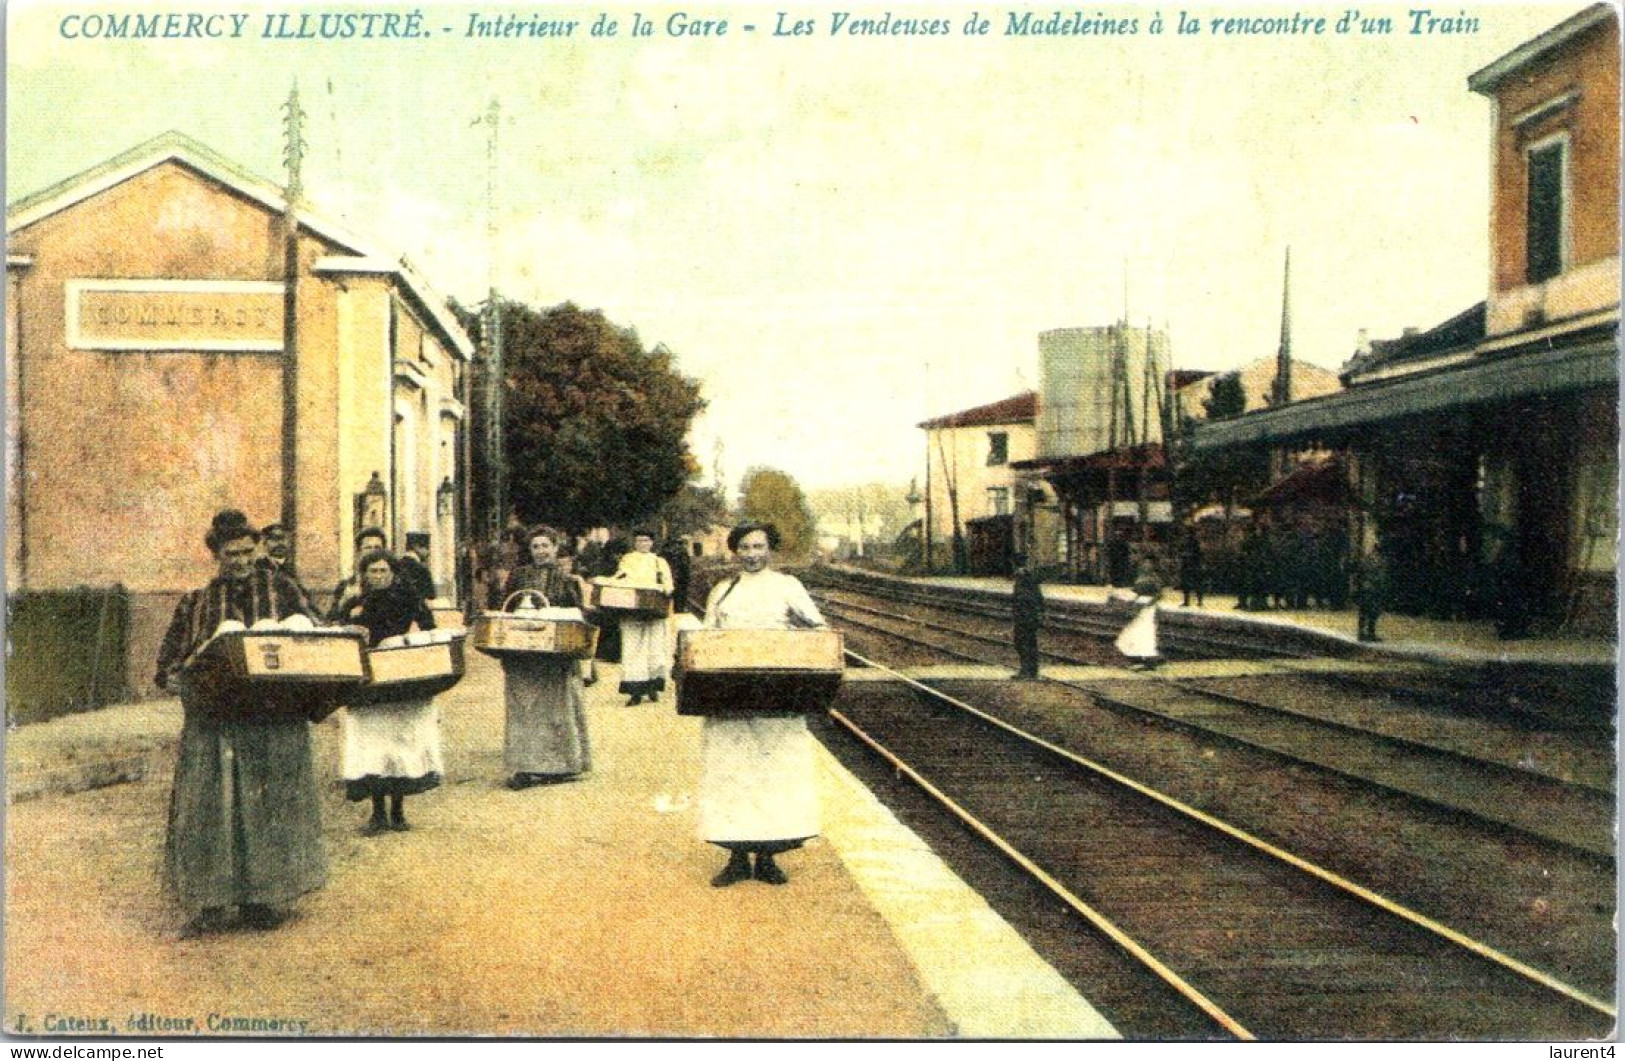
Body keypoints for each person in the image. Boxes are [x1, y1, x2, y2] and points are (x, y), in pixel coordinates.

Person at [154, 510, 325, 937]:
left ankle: (265, 899)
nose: (242, 561)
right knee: (213, 811)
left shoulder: (284, 589)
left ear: (258, 549)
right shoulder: (197, 602)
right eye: (231, 554)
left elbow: (317, 632)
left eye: (248, 551)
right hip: (217, 721)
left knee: (270, 805)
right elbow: (168, 663)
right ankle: (209, 903)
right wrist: (180, 677)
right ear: (216, 555)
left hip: (273, 716)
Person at [699, 521, 827, 887]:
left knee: (774, 773)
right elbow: (707, 637)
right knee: (732, 773)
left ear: (771, 549)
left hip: (777, 692)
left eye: (759, 547)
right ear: (735, 551)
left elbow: (816, 630)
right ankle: (737, 857)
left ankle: (768, 857)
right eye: (745, 548)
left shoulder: (788, 586)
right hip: (730, 693)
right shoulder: (723, 591)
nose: (752, 554)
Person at [333, 550, 443, 833]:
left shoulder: (408, 597)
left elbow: (429, 627)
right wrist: (350, 629)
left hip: (399, 676)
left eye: (383, 571)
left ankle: (398, 810)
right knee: (372, 745)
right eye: (373, 572)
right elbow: (336, 628)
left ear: (393, 573)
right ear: (365, 575)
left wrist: (409, 641)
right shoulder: (354, 602)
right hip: (367, 681)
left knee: (399, 742)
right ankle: (377, 812)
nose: (378, 577)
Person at [498, 526, 593, 789]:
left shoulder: (567, 579)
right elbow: (505, 607)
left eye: (545, 546)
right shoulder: (519, 576)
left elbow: (577, 615)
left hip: (554, 652)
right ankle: (525, 766)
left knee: (555, 707)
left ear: (555, 547)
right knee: (524, 707)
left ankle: (560, 765)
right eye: (535, 547)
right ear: (529, 551)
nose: (541, 551)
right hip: (523, 651)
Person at [609, 529, 674, 705]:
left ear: (652, 543)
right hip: (633, 610)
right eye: (639, 541)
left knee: (655, 650)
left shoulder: (659, 562)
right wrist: (614, 583)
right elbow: (620, 576)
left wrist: (665, 588)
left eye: (646, 540)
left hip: (654, 609)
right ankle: (635, 692)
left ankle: (653, 687)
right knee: (633, 650)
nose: (643, 544)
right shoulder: (628, 560)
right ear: (635, 543)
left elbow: (668, 582)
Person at [327, 526, 388, 622]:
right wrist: (344, 602)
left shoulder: (392, 582)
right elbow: (332, 618)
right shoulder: (346, 585)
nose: (373, 551)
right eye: (368, 548)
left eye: (377, 547)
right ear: (359, 552)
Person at [1114, 553, 1162, 670]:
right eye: (1145, 563)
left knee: (1143, 632)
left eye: (1149, 563)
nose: (1146, 565)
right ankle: (1139, 658)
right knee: (1135, 632)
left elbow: (1158, 594)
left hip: (1147, 609)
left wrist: (1149, 603)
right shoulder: (1141, 577)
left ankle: (1148, 659)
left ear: (1153, 565)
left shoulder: (1154, 578)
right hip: (1140, 606)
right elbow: (1135, 592)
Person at [257, 522, 315, 612]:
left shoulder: (290, 569)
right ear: (264, 542)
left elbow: (306, 601)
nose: (279, 543)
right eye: (274, 539)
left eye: (283, 539)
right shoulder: (259, 567)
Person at [1010, 553, 1043, 680]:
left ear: (1015, 565)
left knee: (1022, 643)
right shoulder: (1030, 577)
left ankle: (1026, 671)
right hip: (1030, 616)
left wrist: (1019, 614)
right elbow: (1039, 597)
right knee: (1030, 643)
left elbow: (1022, 598)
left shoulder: (1022, 578)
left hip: (1024, 617)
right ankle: (1032, 671)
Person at [1354, 544, 1389, 643]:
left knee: (1364, 611)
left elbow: (1359, 574)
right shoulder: (1380, 561)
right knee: (1373, 612)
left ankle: (1362, 633)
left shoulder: (1366, 559)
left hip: (1365, 588)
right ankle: (1370, 633)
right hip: (1374, 589)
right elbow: (1382, 576)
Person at [397, 532, 436, 605]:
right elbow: (431, 596)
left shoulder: (395, 566)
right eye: (426, 548)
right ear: (416, 547)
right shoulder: (422, 570)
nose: (428, 552)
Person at [660, 535, 695, 616]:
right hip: (680, 579)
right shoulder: (683, 551)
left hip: (669, 578)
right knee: (679, 599)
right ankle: (678, 611)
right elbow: (686, 566)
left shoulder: (663, 552)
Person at [1177, 530, 1205, 608]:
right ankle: (1187, 602)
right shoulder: (1184, 543)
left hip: (1194, 566)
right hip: (1187, 566)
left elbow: (1199, 554)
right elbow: (1179, 552)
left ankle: (1199, 602)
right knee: (1186, 585)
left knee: (1197, 584)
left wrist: (1188, 555)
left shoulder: (1196, 543)